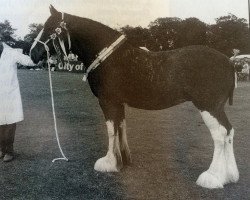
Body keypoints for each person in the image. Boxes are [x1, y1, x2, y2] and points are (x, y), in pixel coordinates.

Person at [0, 36, 35, 162]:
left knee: (9, 123)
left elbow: (30, 61)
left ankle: (9, 151)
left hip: (9, 94)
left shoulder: (11, 52)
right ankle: (2, 149)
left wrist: (40, 55)